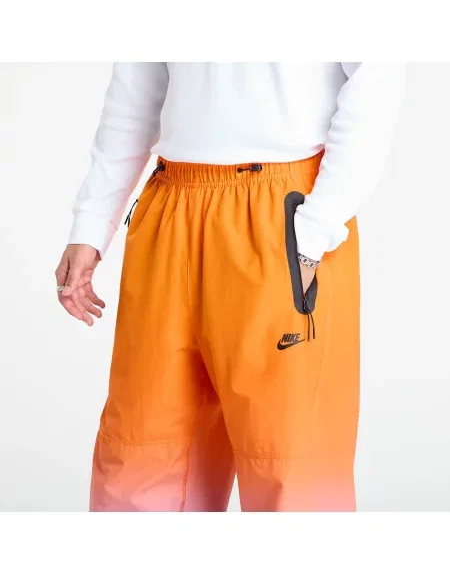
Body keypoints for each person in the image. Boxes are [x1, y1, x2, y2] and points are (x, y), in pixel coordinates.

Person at [55, 63, 405, 512]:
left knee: (290, 466)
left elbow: (377, 74)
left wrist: (317, 227)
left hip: (282, 214)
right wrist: (91, 224)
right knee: (141, 451)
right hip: (171, 202)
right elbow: (138, 84)